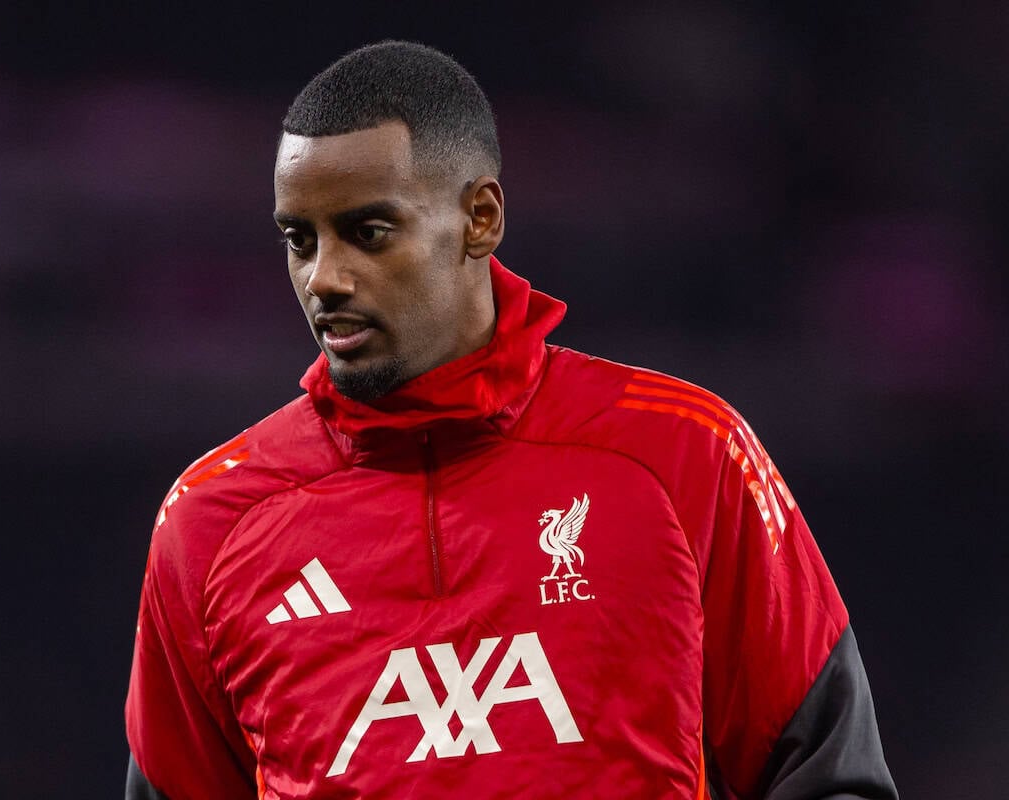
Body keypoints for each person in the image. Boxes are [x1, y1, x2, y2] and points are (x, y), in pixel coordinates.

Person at [125, 41, 897, 800]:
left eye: (368, 233)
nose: (324, 278)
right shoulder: (210, 522)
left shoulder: (685, 452)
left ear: (480, 218)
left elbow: (829, 776)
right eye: (301, 240)